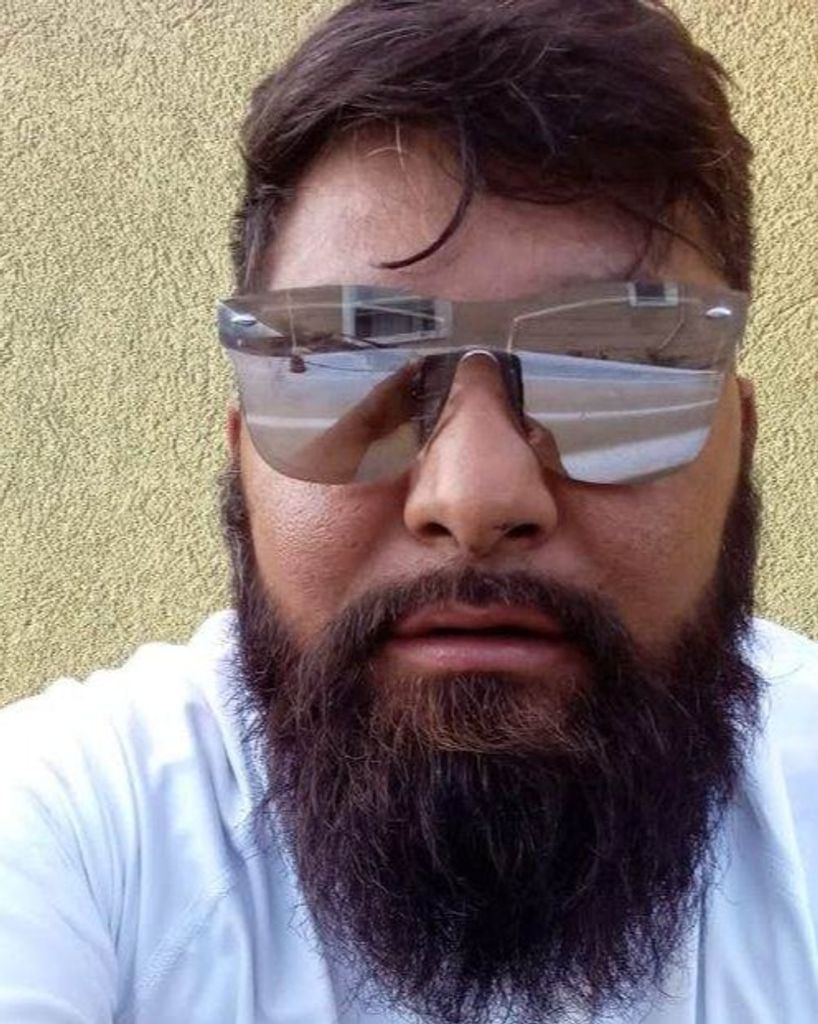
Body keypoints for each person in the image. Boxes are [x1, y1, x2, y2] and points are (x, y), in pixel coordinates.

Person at [1, 0, 816, 1021]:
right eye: (349, 359)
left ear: (737, 444)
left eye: (613, 364)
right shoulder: (75, 827)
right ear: (243, 451)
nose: (474, 499)